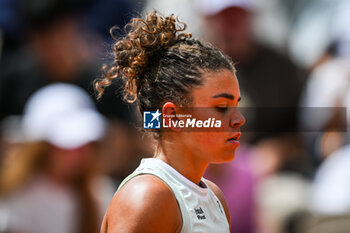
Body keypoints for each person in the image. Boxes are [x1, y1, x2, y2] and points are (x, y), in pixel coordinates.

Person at [95, 12, 245, 233]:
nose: (239, 120)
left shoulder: (215, 198)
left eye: (236, 106)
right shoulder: (149, 195)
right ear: (174, 117)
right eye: (222, 107)